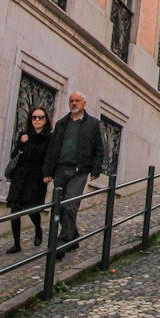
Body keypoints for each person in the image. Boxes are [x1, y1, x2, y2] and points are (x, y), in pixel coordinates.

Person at [43, 91, 105, 257]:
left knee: (70, 204)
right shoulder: (62, 123)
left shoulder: (92, 124)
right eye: (71, 101)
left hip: (79, 171)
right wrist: (47, 171)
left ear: (84, 103)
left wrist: (96, 169)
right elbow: (52, 148)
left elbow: (99, 149)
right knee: (61, 205)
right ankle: (73, 236)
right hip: (60, 170)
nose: (74, 103)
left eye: (77, 101)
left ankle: (62, 242)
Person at [4, 107, 51, 254]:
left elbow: (50, 158)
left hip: (37, 178)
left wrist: (48, 174)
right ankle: (16, 244)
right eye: (34, 117)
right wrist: (20, 143)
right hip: (20, 176)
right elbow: (14, 155)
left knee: (32, 208)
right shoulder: (24, 136)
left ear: (45, 120)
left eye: (40, 117)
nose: (37, 120)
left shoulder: (49, 137)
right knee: (15, 209)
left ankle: (38, 229)